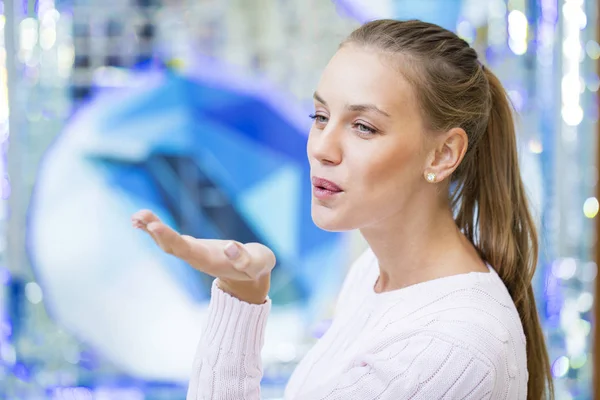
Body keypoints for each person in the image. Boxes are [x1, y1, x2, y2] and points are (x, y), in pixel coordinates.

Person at [132, 19, 553, 400]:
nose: (321, 148)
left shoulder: (445, 348)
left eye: (363, 127)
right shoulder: (372, 274)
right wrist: (242, 290)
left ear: (443, 155)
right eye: (320, 116)